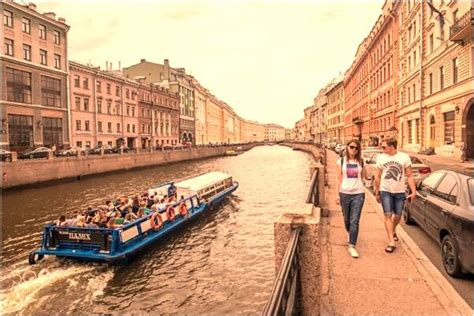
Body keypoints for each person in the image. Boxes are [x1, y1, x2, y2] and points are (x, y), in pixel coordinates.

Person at [374, 137, 416, 253]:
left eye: (384, 147)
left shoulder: (404, 157)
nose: (382, 149)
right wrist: (377, 192)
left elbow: (410, 175)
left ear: (391, 146)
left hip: (400, 191)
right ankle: (391, 242)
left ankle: (392, 230)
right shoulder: (381, 158)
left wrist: (413, 191)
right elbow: (377, 176)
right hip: (385, 190)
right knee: (388, 215)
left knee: (398, 215)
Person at [335, 139, 366, 258]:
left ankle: (352, 246)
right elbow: (338, 179)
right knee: (347, 219)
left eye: (356, 148)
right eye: (352, 147)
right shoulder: (341, 161)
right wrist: (336, 194)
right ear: (347, 147)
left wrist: (364, 165)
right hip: (344, 193)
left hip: (358, 193)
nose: (354, 150)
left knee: (355, 220)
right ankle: (349, 232)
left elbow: (364, 176)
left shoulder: (361, 161)